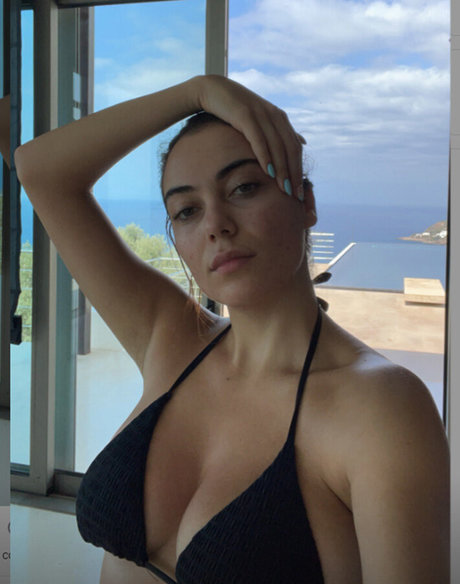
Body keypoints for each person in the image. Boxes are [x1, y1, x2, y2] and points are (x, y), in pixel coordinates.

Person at [14, 75, 449, 584]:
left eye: (243, 187)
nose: (215, 225)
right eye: (187, 210)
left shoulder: (379, 408)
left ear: (305, 203)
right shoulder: (172, 338)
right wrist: (197, 91)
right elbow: (39, 169)